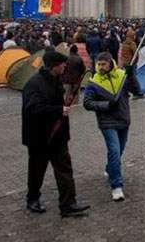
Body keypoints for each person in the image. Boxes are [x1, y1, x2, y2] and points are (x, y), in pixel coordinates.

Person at [22, 51, 90, 217]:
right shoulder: (34, 84)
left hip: (58, 136)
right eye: (61, 64)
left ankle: (68, 203)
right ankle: (33, 198)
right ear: (53, 66)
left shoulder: (56, 80)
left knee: (64, 169)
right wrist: (59, 110)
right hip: (39, 137)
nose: (64, 66)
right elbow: (32, 109)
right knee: (37, 170)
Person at [83, 52, 142, 201]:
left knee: (119, 150)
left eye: (104, 64)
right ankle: (116, 186)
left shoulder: (122, 77)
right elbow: (87, 103)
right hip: (107, 122)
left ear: (111, 63)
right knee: (114, 151)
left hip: (123, 120)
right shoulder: (93, 82)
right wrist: (107, 105)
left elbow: (137, 91)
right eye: (99, 64)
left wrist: (132, 75)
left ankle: (110, 169)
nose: (101, 67)